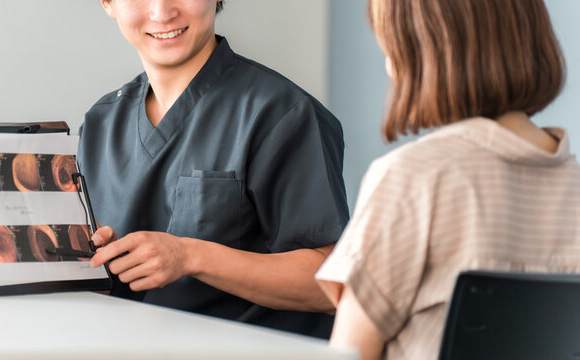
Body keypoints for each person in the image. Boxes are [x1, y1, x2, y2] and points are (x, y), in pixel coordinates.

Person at [315, 0, 580, 358]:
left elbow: (349, 352)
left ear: (425, 52)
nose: (389, 65)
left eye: (392, 46)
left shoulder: (415, 179)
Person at [77, 0, 349, 337]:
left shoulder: (282, 114)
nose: (162, 12)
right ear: (108, 3)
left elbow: (333, 283)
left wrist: (190, 256)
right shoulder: (101, 124)